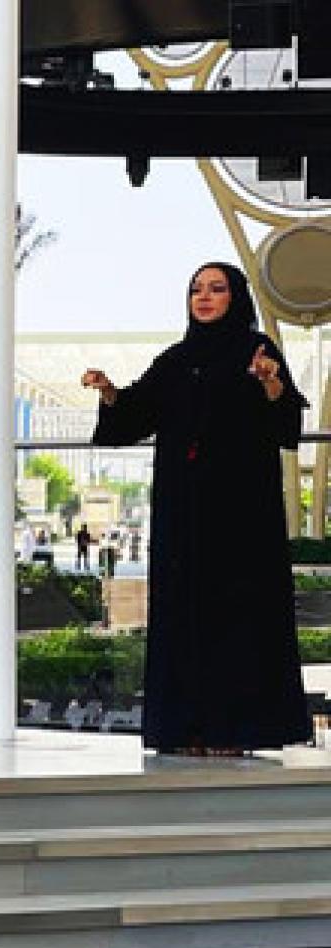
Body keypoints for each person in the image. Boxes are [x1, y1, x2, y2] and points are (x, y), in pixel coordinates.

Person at [82, 261, 311, 755]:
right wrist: (109, 393)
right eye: (196, 290)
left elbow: (285, 424)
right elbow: (136, 414)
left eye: (216, 289)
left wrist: (270, 383)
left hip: (241, 515)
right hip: (184, 515)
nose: (204, 298)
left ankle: (238, 730)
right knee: (184, 614)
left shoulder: (257, 352)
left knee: (238, 616)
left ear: (236, 298)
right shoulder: (177, 359)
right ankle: (187, 730)